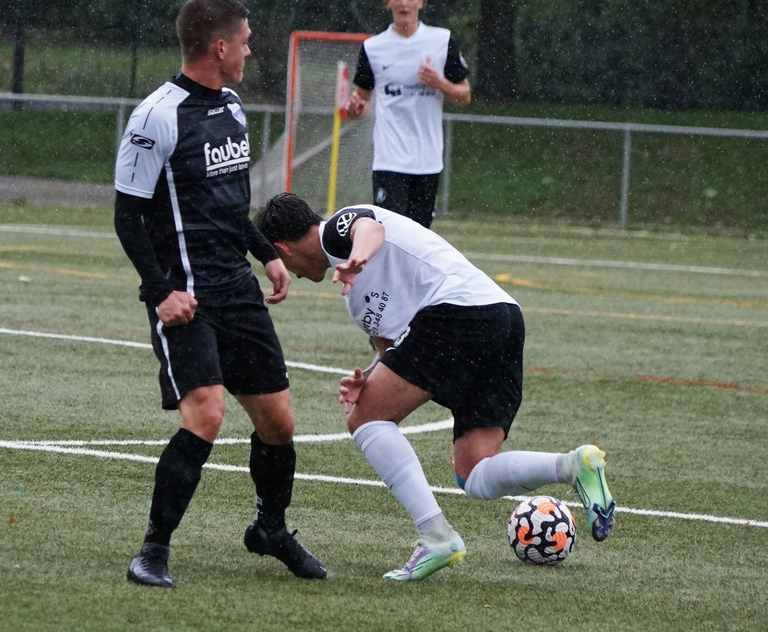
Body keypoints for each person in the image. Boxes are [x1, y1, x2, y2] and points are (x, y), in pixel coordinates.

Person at [254, 193, 616, 581]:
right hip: (502, 318)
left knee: (365, 420)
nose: (287, 272)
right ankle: (572, 465)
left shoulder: (336, 232)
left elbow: (369, 229)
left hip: (460, 312)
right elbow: (391, 349)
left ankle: (437, 538)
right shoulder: (355, 300)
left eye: (276, 261)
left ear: (281, 249)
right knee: (473, 471)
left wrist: (357, 258)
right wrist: (368, 378)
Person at [113, 0, 326, 588]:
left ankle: (270, 529)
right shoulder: (155, 117)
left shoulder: (232, 107)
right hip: (186, 298)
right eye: (246, 41)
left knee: (279, 422)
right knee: (206, 414)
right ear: (220, 47)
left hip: (237, 289)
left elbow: (230, 207)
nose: (250, 51)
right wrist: (161, 293)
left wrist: (266, 255)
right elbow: (127, 217)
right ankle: (152, 551)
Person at [344, 0, 472, 229]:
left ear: (421, 1)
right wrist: (355, 108)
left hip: (427, 160)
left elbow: (465, 96)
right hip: (389, 159)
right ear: (388, 1)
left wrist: (440, 83)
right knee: (389, 234)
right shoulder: (373, 48)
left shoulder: (441, 40)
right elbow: (361, 101)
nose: (404, 3)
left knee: (419, 237)